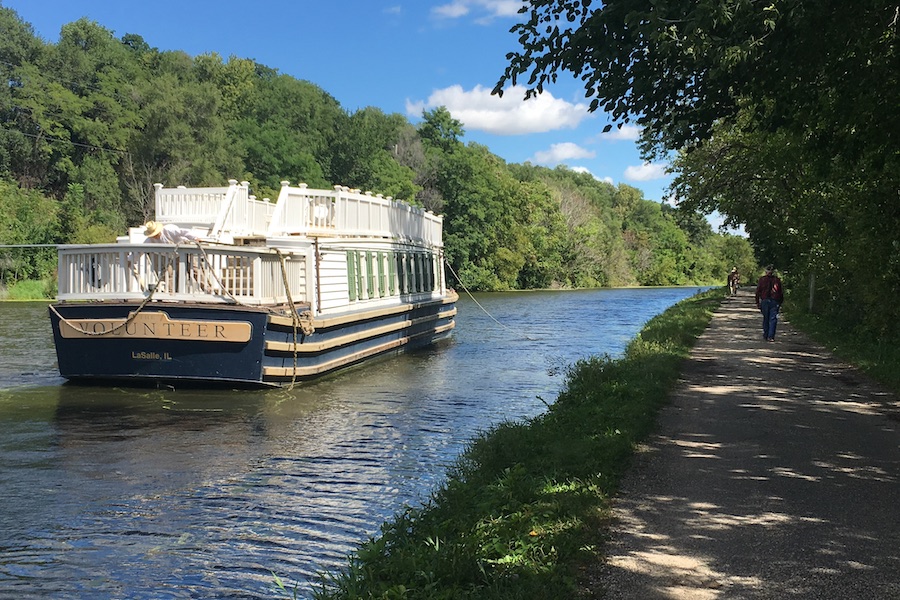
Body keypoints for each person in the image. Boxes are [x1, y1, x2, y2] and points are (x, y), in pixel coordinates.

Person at [755, 265, 784, 341]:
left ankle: (766, 334)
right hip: (774, 301)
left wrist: (757, 302)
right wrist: (780, 302)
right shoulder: (777, 280)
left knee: (766, 318)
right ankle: (770, 336)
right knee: (773, 319)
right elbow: (780, 292)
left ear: (766, 271)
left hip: (765, 301)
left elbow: (758, 291)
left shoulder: (762, 279)